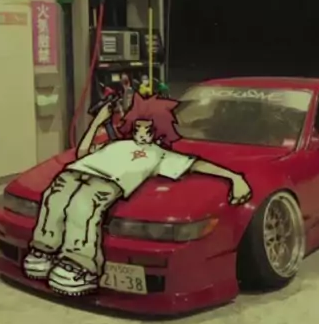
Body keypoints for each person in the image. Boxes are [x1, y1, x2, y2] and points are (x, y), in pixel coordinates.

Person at [23, 93, 252, 297]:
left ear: (158, 131)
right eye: (138, 128)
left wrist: (234, 177)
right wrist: (97, 122)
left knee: (82, 206)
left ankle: (81, 265)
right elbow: (83, 152)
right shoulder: (116, 144)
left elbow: (195, 164)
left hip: (108, 181)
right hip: (76, 171)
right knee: (54, 199)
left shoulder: (159, 154)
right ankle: (44, 249)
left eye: (147, 129)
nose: (141, 134)